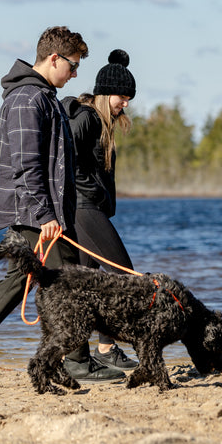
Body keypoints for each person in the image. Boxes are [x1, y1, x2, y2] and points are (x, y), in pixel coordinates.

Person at [0, 26, 124, 386]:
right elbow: (27, 165)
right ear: (53, 58)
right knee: (68, 280)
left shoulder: (40, 97)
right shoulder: (28, 99)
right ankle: (77, 361)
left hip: (34, 208)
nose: (74, 75)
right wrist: (45, 216)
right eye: (72, 66)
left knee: (21, 277)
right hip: (31, 209)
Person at [60, 49, 139, 375]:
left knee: (87, 284)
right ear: (106, 92)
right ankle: (101, 349)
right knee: (128, 279)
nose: (126, 103)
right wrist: (89, 192)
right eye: (123, 96)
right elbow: (67, 156)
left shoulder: (102, 121)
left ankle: (88, 354)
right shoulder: (88, 118)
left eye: (129, 97)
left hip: (90, 208)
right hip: (83, 208)